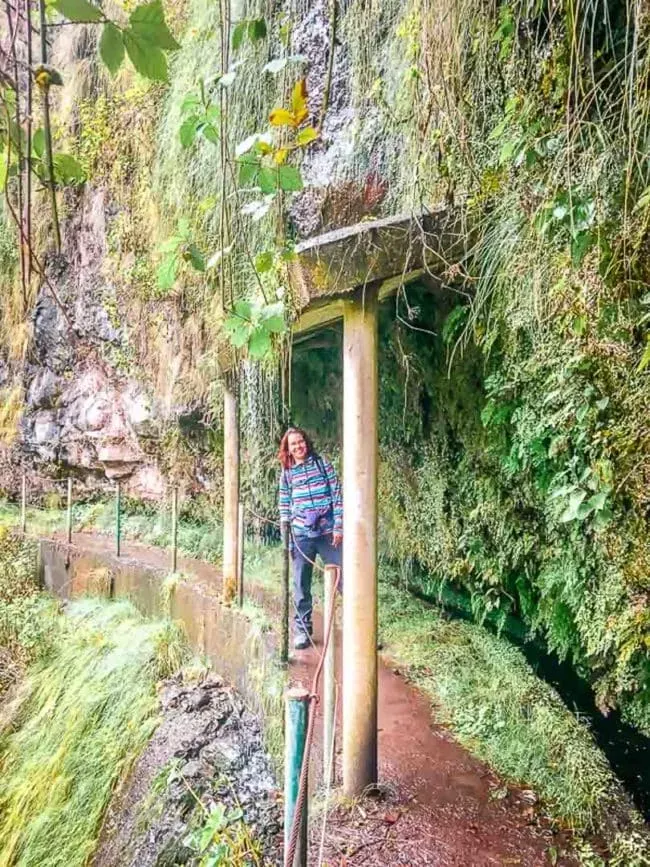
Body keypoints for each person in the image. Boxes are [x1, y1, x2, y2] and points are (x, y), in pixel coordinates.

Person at [278, 427, 343, 650]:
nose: (298, 446)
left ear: (307, 442)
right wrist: (286, 539)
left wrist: (338, 526)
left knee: (345, 579)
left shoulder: (322, 464)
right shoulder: (287, 473)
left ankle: (361, 630)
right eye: (293, 444)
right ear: (288, 449)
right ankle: (303, 632)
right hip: (301, 535)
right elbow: (284, 505)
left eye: (301, 441)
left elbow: (337, 496)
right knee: (301, 584)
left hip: (328, 533)